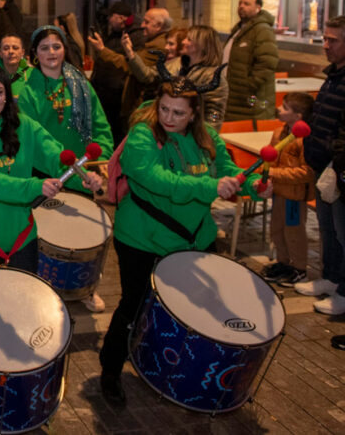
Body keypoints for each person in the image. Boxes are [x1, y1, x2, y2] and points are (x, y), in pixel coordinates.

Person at [98, 77, 269, 406]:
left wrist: (254, 186)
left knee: (200, 309)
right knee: (134, 306)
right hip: (142, 239)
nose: (168, 117)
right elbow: (153, 178)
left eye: (178, 112)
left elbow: (229, 170)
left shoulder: (207, 138)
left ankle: (183, 367)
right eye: (164, 108)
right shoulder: (142, 135)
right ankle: (110, 370)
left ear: (194, 114)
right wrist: (208, 187)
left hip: (194, 238)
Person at [0, 65, 101, 279]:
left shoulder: (25, 126)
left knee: (22, 304)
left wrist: (82, 177)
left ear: (7, 96)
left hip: (22, 236)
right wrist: (35, 186)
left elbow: (56, 156)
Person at [20, 26, 114, 160]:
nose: (51, 52)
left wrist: (102, 158)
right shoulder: (29, 92)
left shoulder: (82, 85)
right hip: (48, 171)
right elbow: (30, 137)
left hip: (87, 168)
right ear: (35, 53)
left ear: (64, 50)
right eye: (44, 48)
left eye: (57, 47)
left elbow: (100, 126)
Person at [305, 15, 345, 323]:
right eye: (325, 39)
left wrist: (336, 156)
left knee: (342, 230)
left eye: (333, 40)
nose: (326, 45)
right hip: (322, 165)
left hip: (339, 168)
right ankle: (331, 277)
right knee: (328, 228)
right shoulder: (333, 76)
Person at [87, 8, 171, 136]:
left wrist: (103, 50)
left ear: (159, 26)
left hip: (140, 101)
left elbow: (132, 66)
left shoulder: (157, 46)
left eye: (147, 22)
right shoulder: (150, 41)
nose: (143, 25)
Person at [260, 92, 314, 287]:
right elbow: (270, 157)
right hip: (279, 192)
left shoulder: (305, 140)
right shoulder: (279, 133)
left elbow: (307, 172)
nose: (279, 110)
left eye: (284, 108)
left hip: (294, 196)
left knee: (294, 232)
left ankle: (299, 268)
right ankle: (283, 263)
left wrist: (275, 173)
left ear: (298, 116)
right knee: (277, 230)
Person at [128, 25, 228, 128]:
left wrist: (202, 139)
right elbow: (148, 75)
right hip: (166, 127)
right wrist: (131, 55)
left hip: (190, 134)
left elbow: (214, 115)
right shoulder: (176, 64)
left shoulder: (212, 77)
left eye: (189, 39)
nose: (183, 42)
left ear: (201, 45)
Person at [90, 2, 143, 137]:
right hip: (107, 93)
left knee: (118, 133)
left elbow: (127, 63)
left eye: (111, 16)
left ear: (120, 18)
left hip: (118, 96)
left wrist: (102, 49)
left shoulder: (135, 36)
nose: (108, 19)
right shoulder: (116, 33)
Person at [224, 0, 278, 120]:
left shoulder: (262, 29)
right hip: (233, 96)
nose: (241, 6)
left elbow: (267, 62)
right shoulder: (239, 30)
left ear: (258, 8)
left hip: (248, 99)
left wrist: (248, 86)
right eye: (240, 3)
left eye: (247, 4)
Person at [0, 34, 29, 98]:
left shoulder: (33, 74)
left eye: (15, 48)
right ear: (0, 53)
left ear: (22, 52)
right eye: (6, 48)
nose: (11, 51)